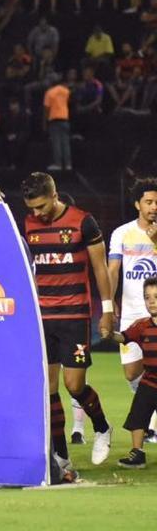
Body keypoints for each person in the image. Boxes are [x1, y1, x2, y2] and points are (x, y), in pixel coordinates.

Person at [21, 172, 115, 478]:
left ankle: (102, 426)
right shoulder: (28, 224)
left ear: (54, 194)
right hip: (42, 318)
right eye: (32, 208)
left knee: (74, 386)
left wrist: (107, 309)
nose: (37, 213)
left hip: (74, 316)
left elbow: (100, 269)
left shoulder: (83, 222)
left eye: (41, 206)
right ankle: (61, 457)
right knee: (47, 389)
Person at [107, 178, 157, 440]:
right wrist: (108, 299)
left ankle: (151, 425)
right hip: (131, 313)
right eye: (148, 202)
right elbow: (113, 270)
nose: (154, 207)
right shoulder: (122, 233)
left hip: (156, 315)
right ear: (137, 204)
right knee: (132, 372)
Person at [103, 278, 157, 467]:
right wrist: (109, 333)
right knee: (138, 414)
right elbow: (123, 337)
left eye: (156, 297)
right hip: (150, 381)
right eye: (147, 297)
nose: (151, 301)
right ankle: (137, 452)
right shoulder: (142, 325)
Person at [43, 70, 72, 171]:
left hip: (54, 119)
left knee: (57, 142)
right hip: (65, 118)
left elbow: (46, 109)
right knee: (65, 142)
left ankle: (58, 164)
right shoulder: (65, 91)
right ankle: (68, 164)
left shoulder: (49, 92)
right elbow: (69, 102)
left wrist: (45, 122)